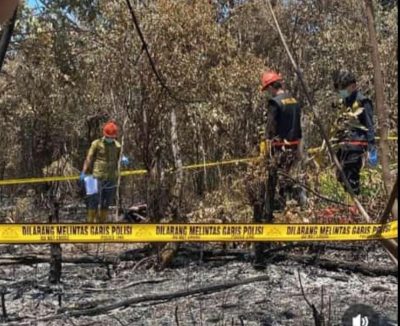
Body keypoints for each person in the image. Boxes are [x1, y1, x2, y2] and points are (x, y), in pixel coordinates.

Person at [253, 70, 303, 269]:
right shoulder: (294, 100)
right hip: (293, 147)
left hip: (278, 150)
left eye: (267, 89)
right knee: (288, 179)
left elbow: (270, 130)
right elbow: (298, 126)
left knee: (274, 184)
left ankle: (276, 213)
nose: (267, 93)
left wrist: (265, 147)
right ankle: (290, 208)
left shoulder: (275, 103)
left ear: (273, 87)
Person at [332, 70, 377, 195]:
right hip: (343, 146)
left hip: (356, 146)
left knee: (351, 179)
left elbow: (369, 125)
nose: (341, 91)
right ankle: (350, 204)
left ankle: (355, 206)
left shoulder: (363, 101)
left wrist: (371, 147)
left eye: (343, 88)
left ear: (353, 86)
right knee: (341, 176)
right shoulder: (344, 102)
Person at [80, 120, 130, 223]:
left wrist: (123, 158)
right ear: (104, 134)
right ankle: (90, 224)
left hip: (111, 177)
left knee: (106, 203)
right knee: (93, 201)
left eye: (112, 137)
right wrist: (83, 172)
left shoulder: (117, 146)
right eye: (108, 137)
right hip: (96, 177)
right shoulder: (96, 143)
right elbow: (89, 157)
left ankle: (102, 225)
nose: (110, 139)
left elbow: (120, 157)